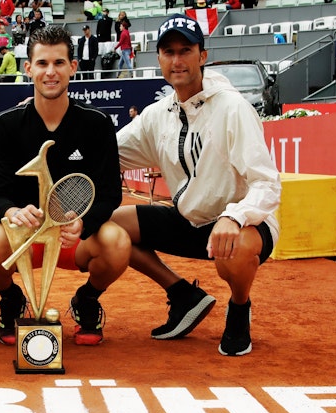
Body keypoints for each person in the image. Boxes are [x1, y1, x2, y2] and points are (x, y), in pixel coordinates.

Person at [114, 14, 281, 356]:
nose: (177, 61)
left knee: (231, 255)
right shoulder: (157, 114)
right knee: (108, 227)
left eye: (185, 50)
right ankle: (183, 295)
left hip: (244, 226)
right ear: (159, 59)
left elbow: (267, 184)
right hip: (190, 221)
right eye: (169, 52)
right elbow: (107, 152)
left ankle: (238, 307)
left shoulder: (233, 108)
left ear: (202, 56)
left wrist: (234, 216)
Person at [0, 25, 129, 346]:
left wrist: (83, 223)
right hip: (25, 238)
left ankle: (86, 300)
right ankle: (13, 300)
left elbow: (110, 194)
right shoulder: (5, 124)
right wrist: (13, 212)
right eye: (42, 63)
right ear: (28, 68)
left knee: (117, 243)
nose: (51, 72)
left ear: (73, 68)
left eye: (59, 63)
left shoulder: (97, 124)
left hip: (71, 238)